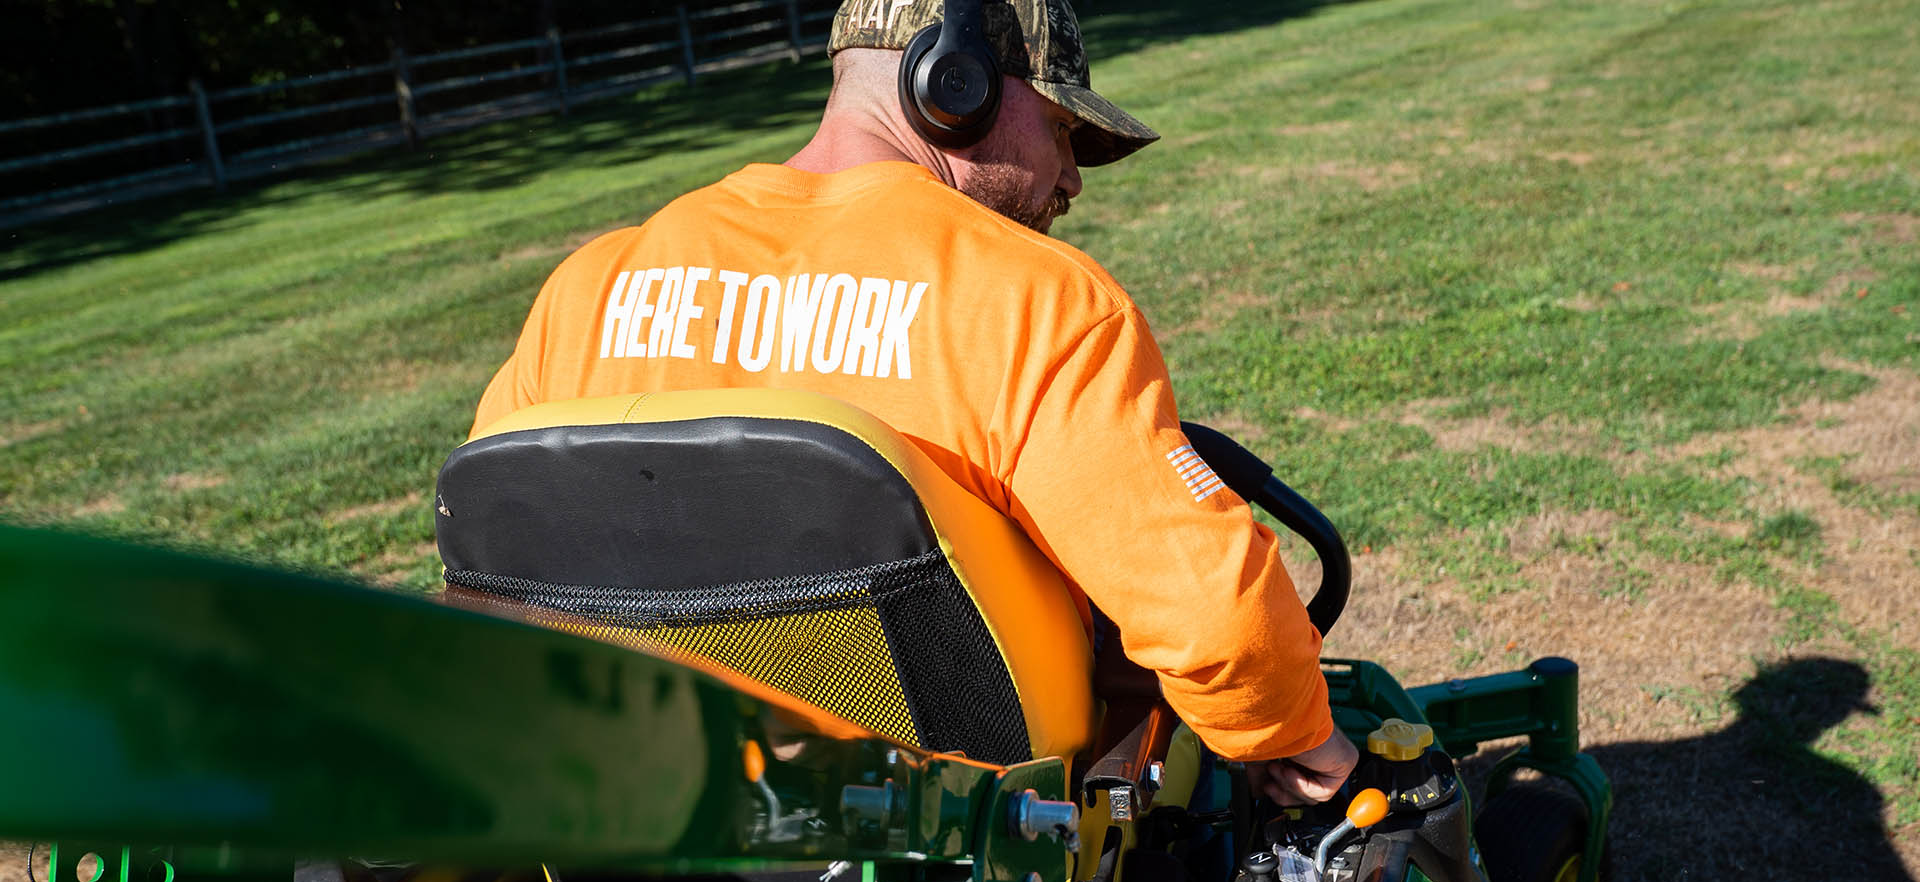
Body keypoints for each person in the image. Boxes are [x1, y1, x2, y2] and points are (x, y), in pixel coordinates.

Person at [471, 0, 1358, 805]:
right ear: (954, 86)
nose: (1072, 181)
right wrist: (1299, 736)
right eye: (1058, 128)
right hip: (971, 871)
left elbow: (489, 562)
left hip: (651, 834)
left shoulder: (586, 294)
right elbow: (1227, 626)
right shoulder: (1033, 306)